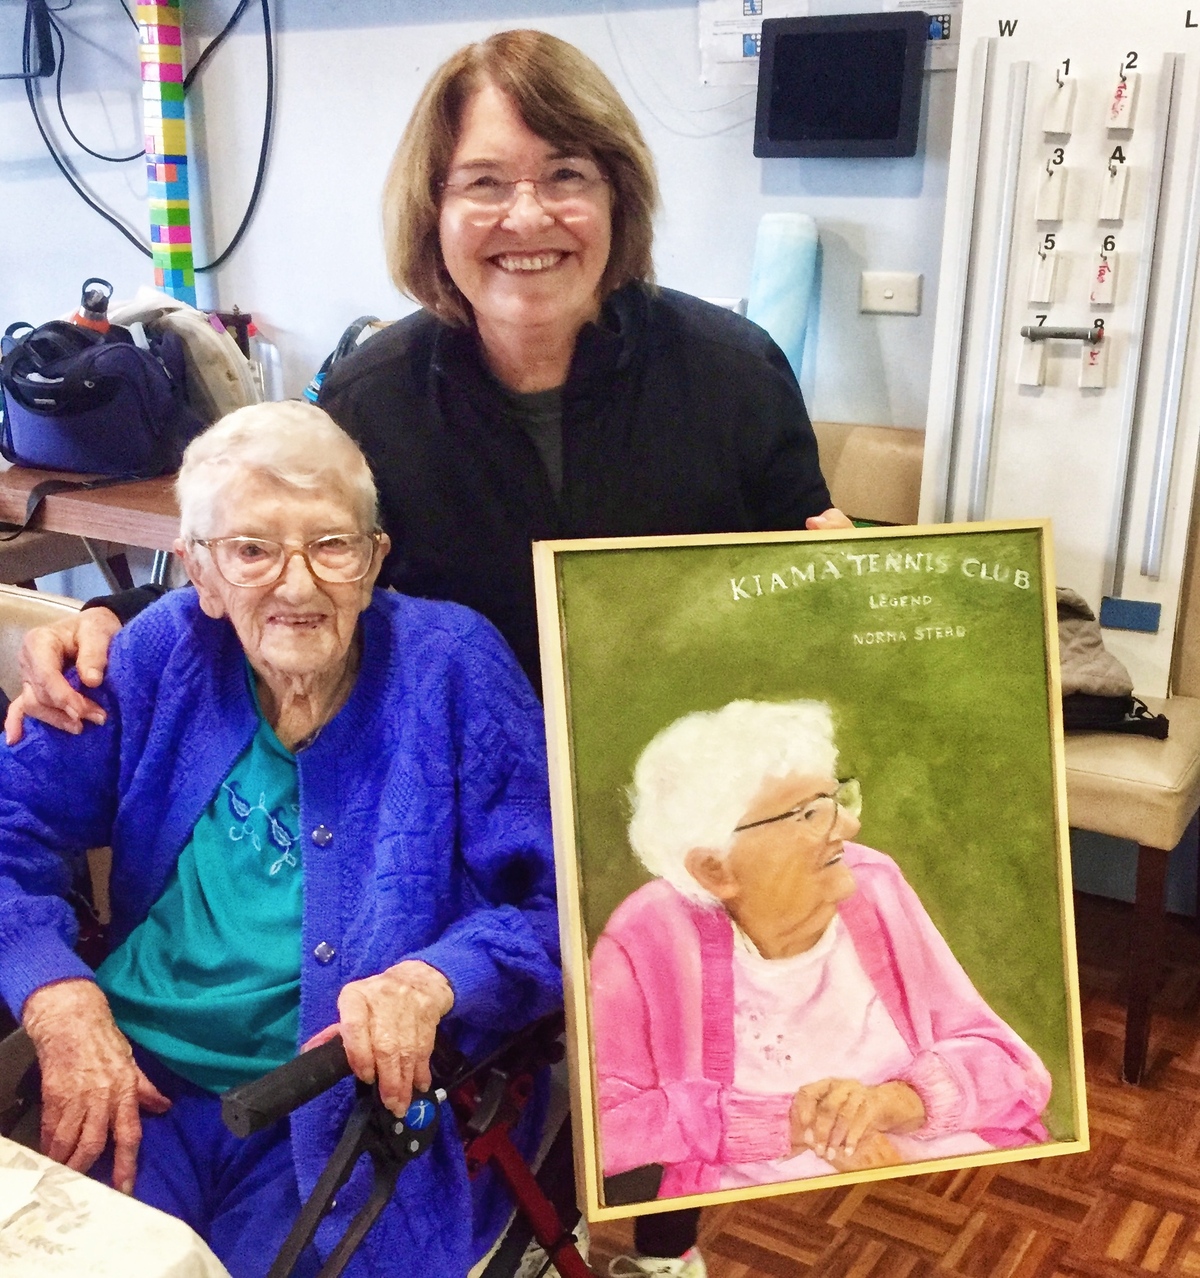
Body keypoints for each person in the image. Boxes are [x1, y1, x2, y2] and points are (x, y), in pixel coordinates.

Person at [5, 29, 852, 1277]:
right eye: (484, 183)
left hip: (676, 781)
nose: (529, 216)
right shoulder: (377, 395)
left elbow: (810, 560)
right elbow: (280, 562)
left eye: (566, 176)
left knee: (680, 1069)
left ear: (617, 194)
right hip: (440, 790)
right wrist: (105, 628)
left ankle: (661, 1247)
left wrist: (883, 609)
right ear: (435, 210)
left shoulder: (730, 371)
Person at [0, 402, 562, 1278]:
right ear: (200, 572)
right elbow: (11, 827)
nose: (296, 587)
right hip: (134, 1075)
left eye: (331, 545)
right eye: (252, 551)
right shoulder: (161, 651)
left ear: (374, 560)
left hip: (338, 1101)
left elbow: (566, 903)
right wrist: (58, 999)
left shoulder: (452, 668)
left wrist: (431, 981)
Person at [592, 700, 1051, 1200]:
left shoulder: (872, 884)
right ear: (715, 869)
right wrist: (794, 1124)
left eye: (836, 800)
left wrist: (888, 1104)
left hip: (937, 1176)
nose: (847, 827)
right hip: (764, 1209)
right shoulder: (650, 935)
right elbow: (603, 1128)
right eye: (809, 813)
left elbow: (1010, 1065)